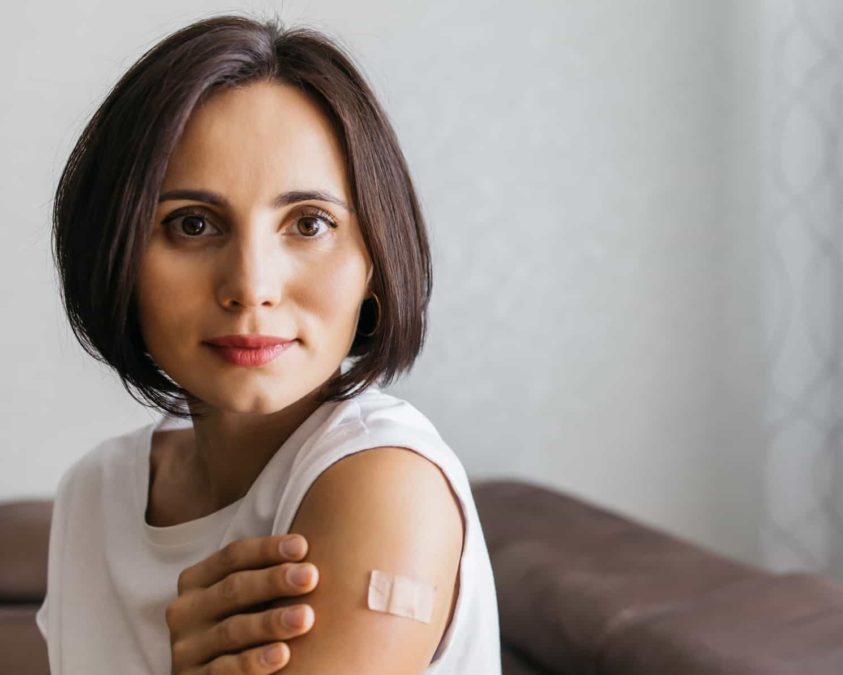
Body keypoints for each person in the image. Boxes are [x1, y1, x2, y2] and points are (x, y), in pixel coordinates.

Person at [35, 12, 501, 675]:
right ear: (115, 255)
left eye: (309, 223)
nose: (251, 286)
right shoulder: (92, 494)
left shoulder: (387, 483)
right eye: (192, 224)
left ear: (374, 258)